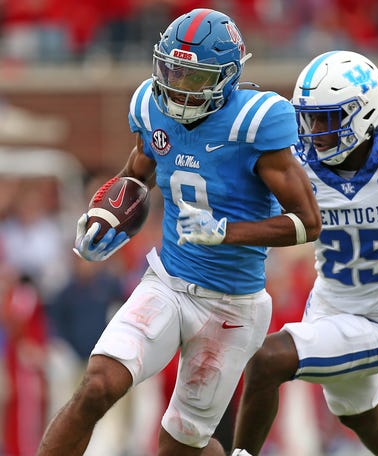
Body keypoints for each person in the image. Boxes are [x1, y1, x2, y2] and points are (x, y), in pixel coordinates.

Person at [37, 8, 321, 456]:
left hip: (232, 304)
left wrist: (226, 232)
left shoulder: (257, 122)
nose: (176, 86)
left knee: (179, 446)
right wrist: (106, 219)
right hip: (167, 283)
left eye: (192, 77)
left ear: (227, 78)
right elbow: (136, 175)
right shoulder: (152, 107)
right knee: (96, 385)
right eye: (172, 70)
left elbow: (308, 223)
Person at [231, 50, 378, 456]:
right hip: (327, 309)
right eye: (309, 117)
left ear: (364, 113)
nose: (314, 130)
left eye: (327, 118)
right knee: (361, 415)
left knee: (267, 360)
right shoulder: (300, 164)